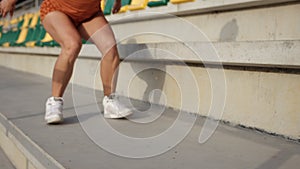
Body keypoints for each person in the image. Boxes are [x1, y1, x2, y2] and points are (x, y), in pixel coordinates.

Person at [0, 0, 133, 124]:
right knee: (72, 44)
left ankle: (110, 101)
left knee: (110, 47)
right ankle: (55, 101)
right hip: (57, 10)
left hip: (89, 14)